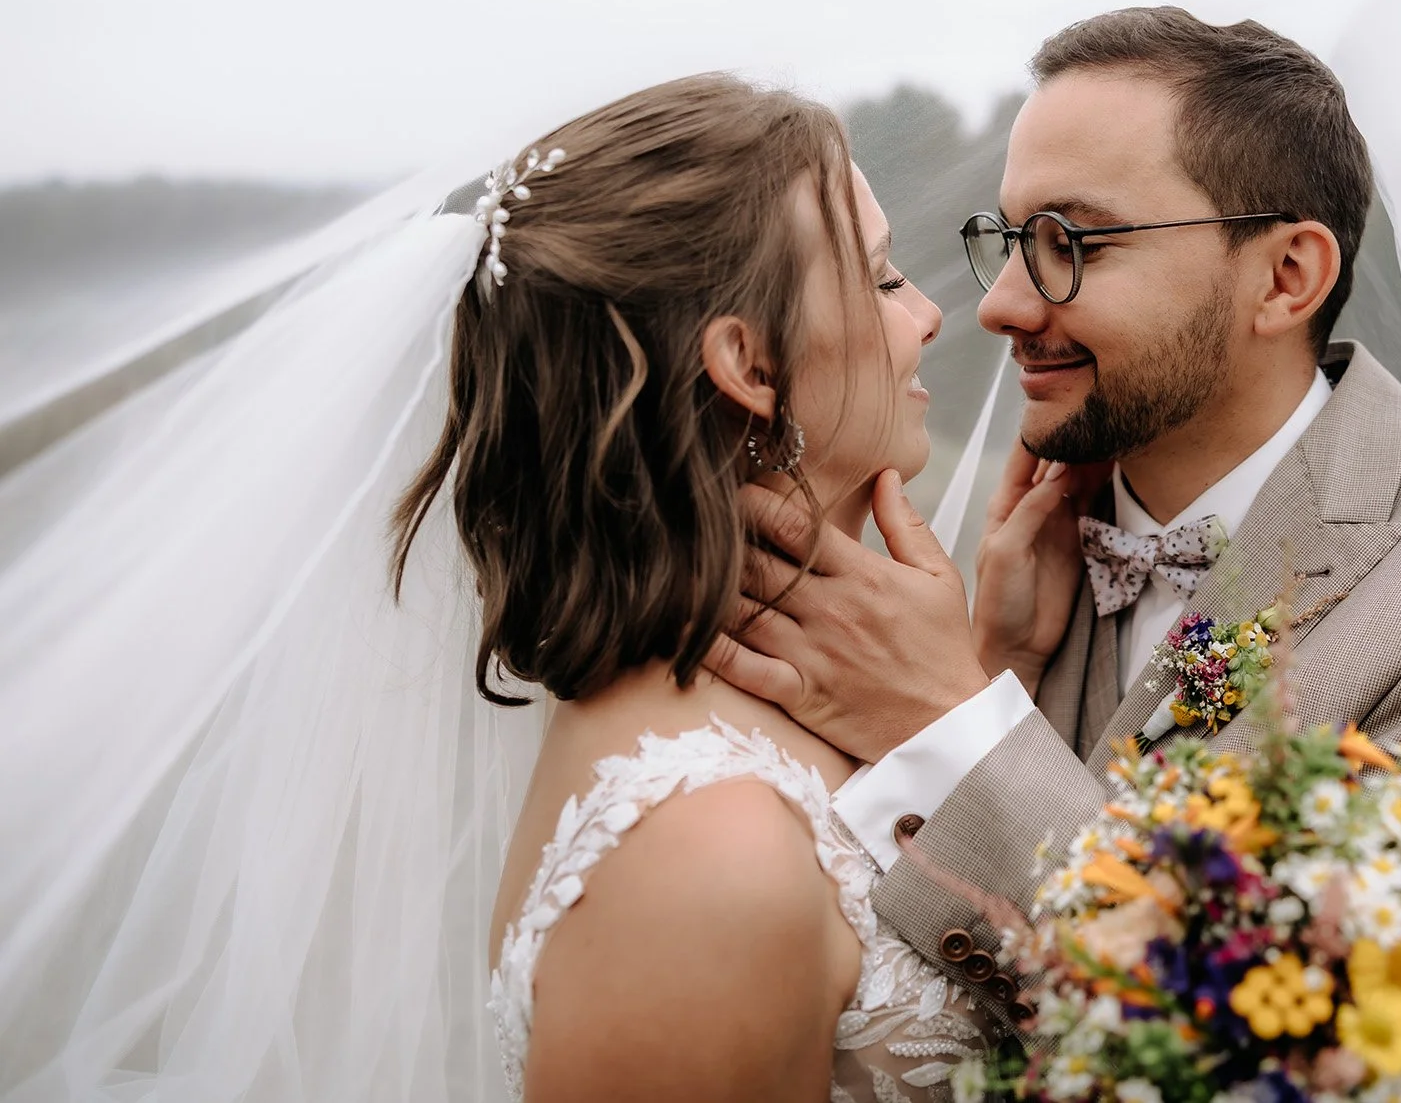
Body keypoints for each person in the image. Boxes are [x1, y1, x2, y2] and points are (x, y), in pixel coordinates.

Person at [0, 75, 991, 1103]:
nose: (926, 315)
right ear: (747, 361)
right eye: (878, 277)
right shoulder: (701, 851)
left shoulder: (810, 698)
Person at [711, 8, 1401, 1020]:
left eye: (1068, 242)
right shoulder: (1036, 554)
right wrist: (1001, 666)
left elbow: (1373, 1063)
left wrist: (954, 720)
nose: (1001, 306)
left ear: (1286, 276)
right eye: (1010, 240)